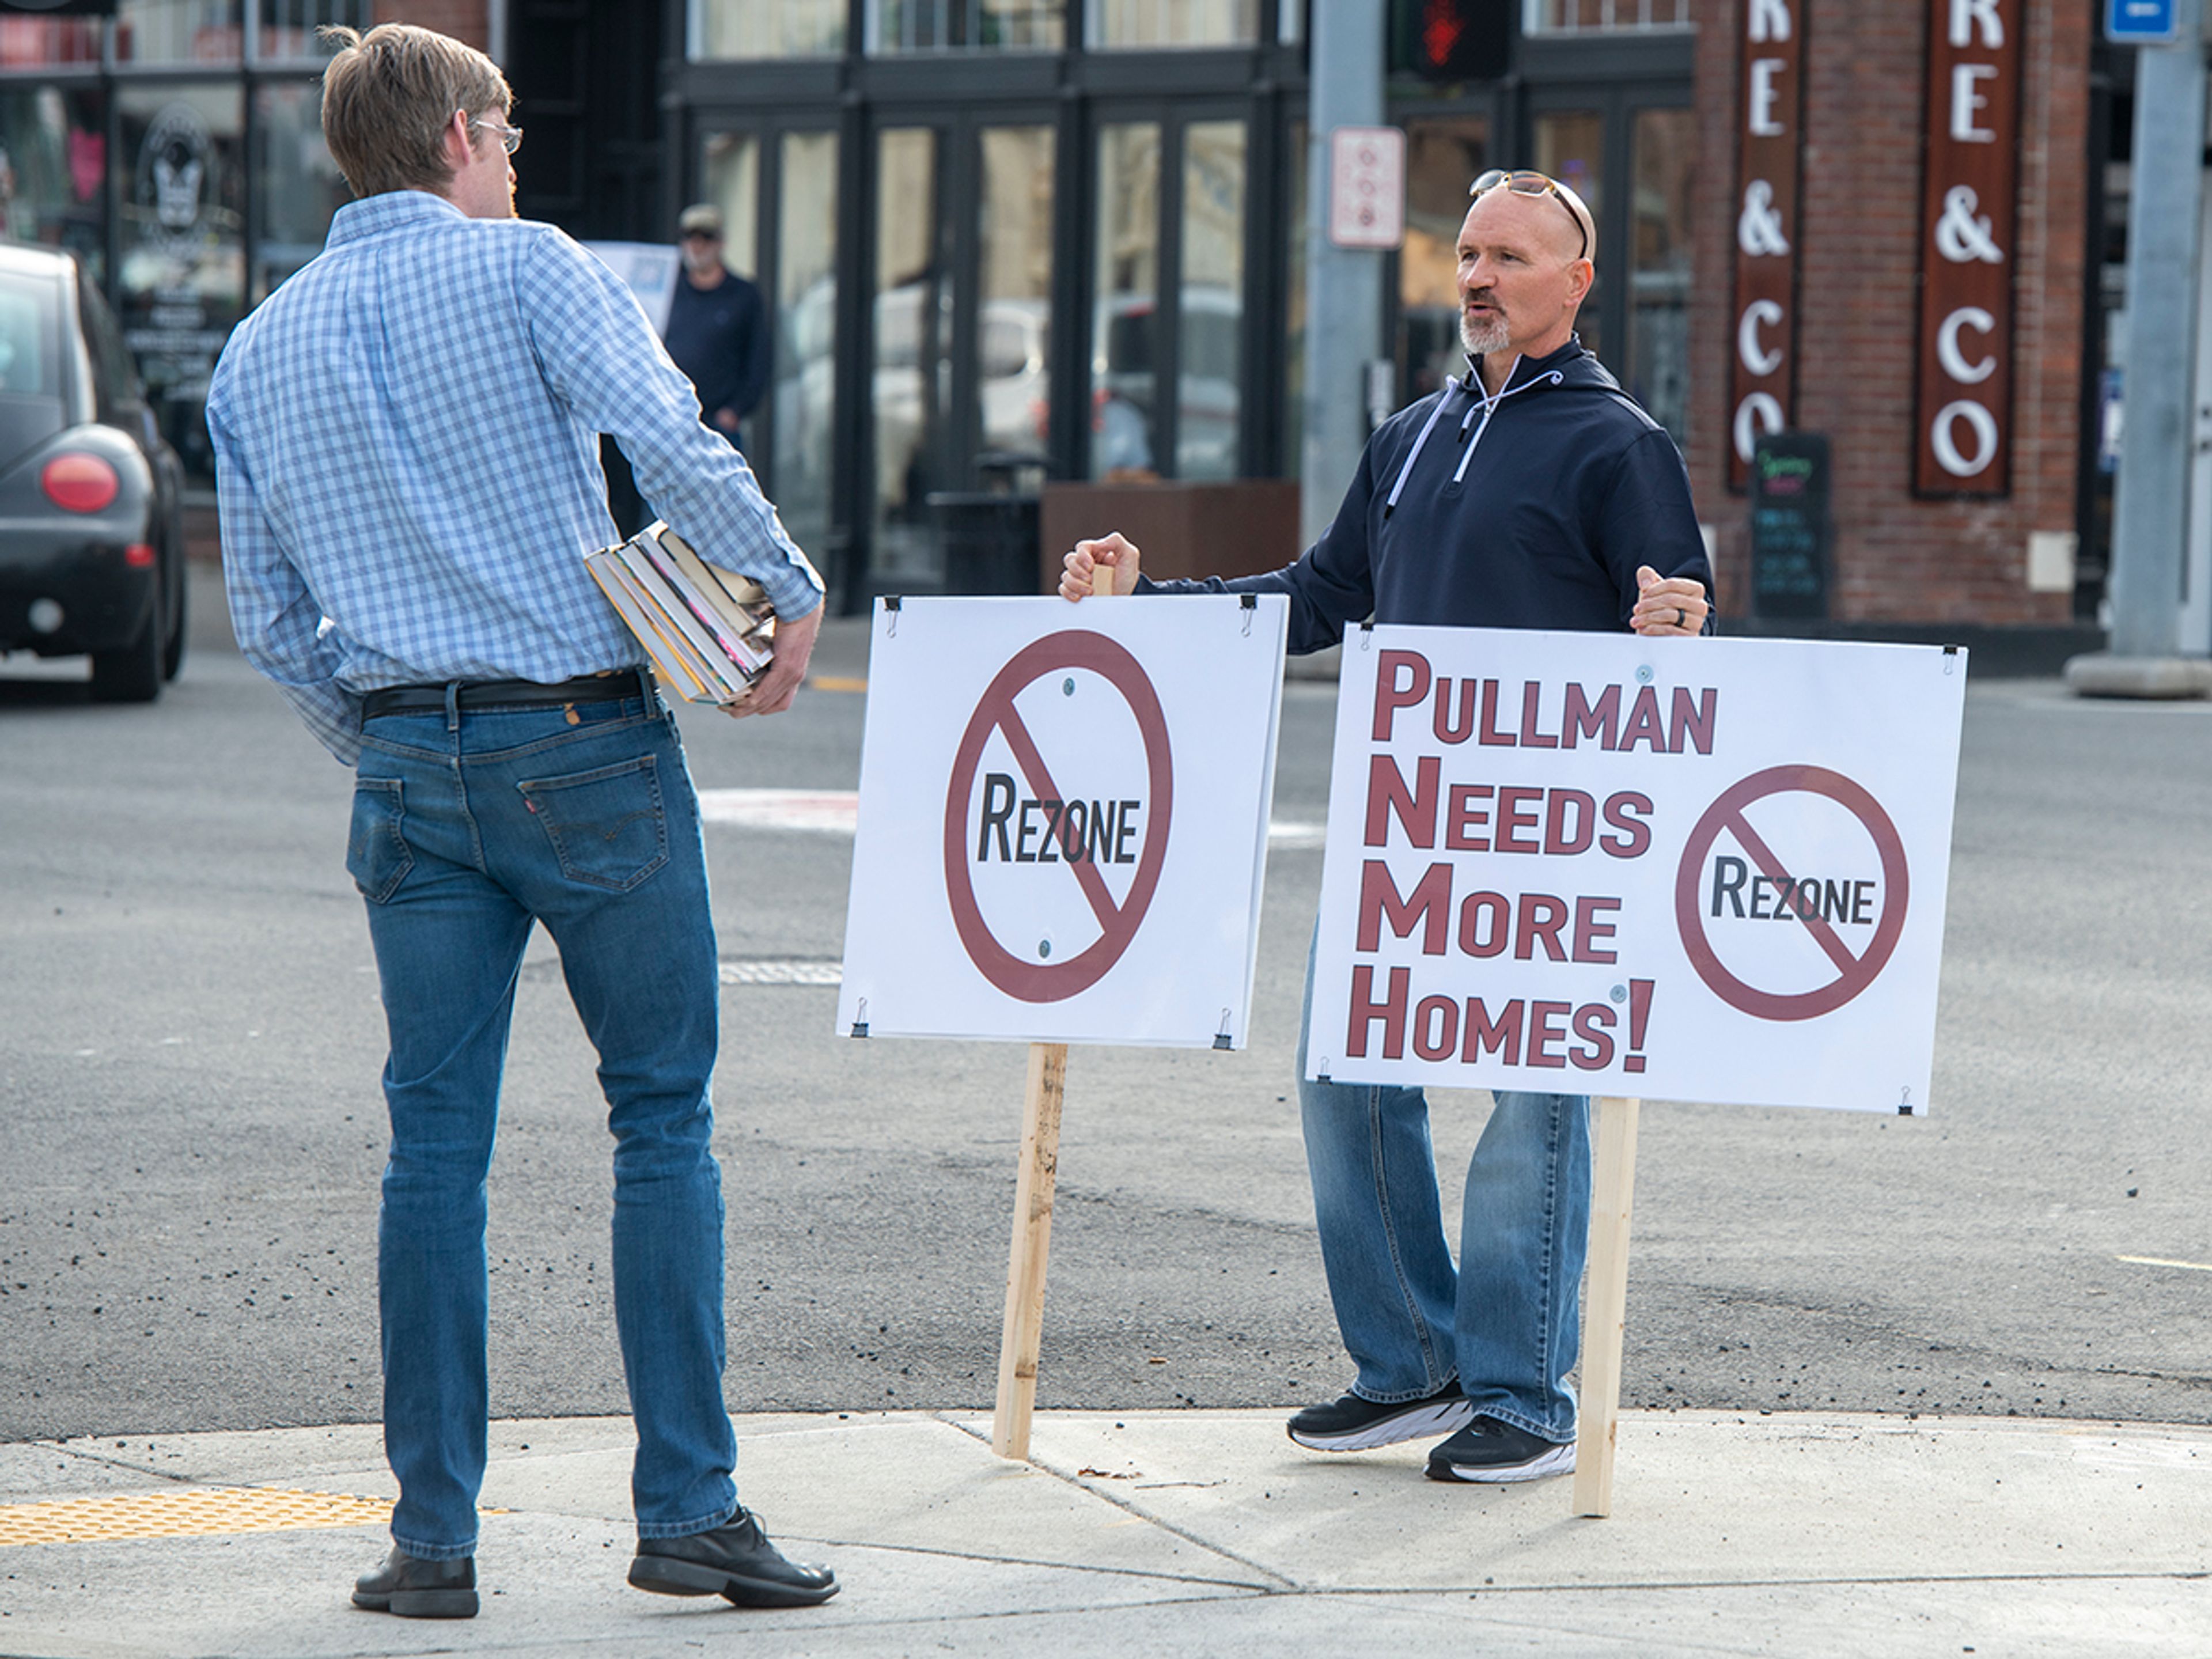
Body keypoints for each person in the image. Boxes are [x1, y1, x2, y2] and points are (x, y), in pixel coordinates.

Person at [205, 24, 835, 1619]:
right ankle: (688, 1507)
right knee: (661, 1121)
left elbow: (271, 623)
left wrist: (395, 742)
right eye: (508, 138)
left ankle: (434, 1545)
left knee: (433, 1151)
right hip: (586, 740)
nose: (515, 164)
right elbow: (671, 439)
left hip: (413, 764)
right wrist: (789, 592)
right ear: (465, 137)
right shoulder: (528, 266)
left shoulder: (255, 349)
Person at [1060, 167, 1712, 1486]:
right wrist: (1148, 603)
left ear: (1576, 284)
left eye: (1510, 258)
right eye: (1467, 254)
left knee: (1532, 1109)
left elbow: (1681, 620)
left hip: (1551, 833)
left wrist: (1675, 623)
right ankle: (1411, 1359)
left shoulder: (1619, 444)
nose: (1477, 278)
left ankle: (1524, 1394)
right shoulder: (1411, 435)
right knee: (1341, 1073)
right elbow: (1317, 595)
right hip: (1404, 824)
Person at [665, 203, 771, 448]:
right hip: (671, 420)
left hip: (719, 424)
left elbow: (759, 359)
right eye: (690, 237)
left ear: (721, 242)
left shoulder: (744, 295)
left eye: (706, 238)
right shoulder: (669, 291)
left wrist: (736, 411)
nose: (697, 246)